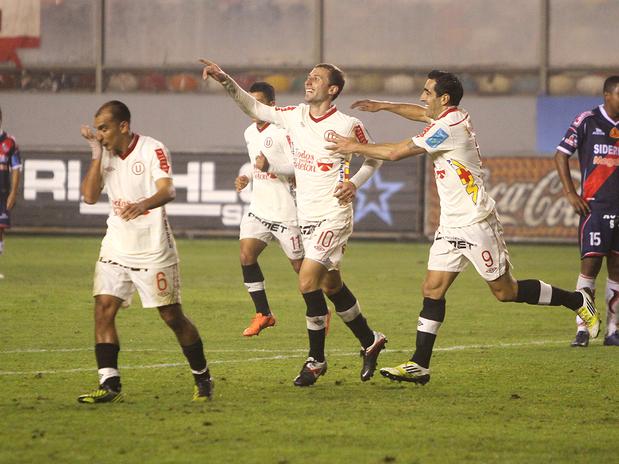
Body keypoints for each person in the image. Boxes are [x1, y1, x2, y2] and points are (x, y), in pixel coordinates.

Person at [326, 70, 600, 385]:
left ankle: (577, 300)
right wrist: (384, 105)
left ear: (444, 99)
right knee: (432, 289)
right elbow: (420, 114)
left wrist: (353, 146)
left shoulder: (448, 128)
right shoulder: (451, 115)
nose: (421, 97)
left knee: (505, 291)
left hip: (476, 222)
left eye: (427, 92)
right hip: (451, 224)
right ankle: (420, 364)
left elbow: (395, 153)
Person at [200, 58, 387, 386]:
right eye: (309, 77)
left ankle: (315, 361)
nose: (308, 81)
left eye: (316, 78)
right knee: (331, 286)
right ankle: (370, 340)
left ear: (333, 89)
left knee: (306, 282)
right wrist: (225, 79)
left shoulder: (347, 124)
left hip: (334, 214)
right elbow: (254, 109)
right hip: (308, 216)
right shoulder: (295, 116)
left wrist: (354, 183)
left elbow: (373, 155)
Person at [78, 100, 213, 403]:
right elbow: (88, 196)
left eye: (104, 129)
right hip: (116, 244)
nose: (100, 134)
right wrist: (96, 152)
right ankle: (109, 384)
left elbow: (168, 190)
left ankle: (202, 376)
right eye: (97, 129)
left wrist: (142, 205)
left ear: (123, 126)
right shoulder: (105, 155)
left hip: (152, 249)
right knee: (103, 308)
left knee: (171, 316)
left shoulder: (152, 148)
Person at [554, 75, 619, 347]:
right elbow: (561, 154)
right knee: (590, 266)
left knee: (617, 270)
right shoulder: (587, 120)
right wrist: (570, 193)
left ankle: (613, 330)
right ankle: (583, 327)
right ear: (607, 95)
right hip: (595, 206)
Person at [235, 81, 303, 336]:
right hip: (259, 209)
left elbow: (299, 168)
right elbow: (258, 164)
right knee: (246, 255)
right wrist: (249, 177)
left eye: (260, 102)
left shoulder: (283, 131)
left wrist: (269, 169)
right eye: (250, 102)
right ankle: (263, 314)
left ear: (272, 105)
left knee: (301, 269)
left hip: (286, 212)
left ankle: (320, 310)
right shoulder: (249, 133)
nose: (254, 108)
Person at [0, 106, 22, 280]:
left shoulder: (9, 142)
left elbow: (16, 168)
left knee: (0, 229)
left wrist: (13, 193)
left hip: (2, 193)